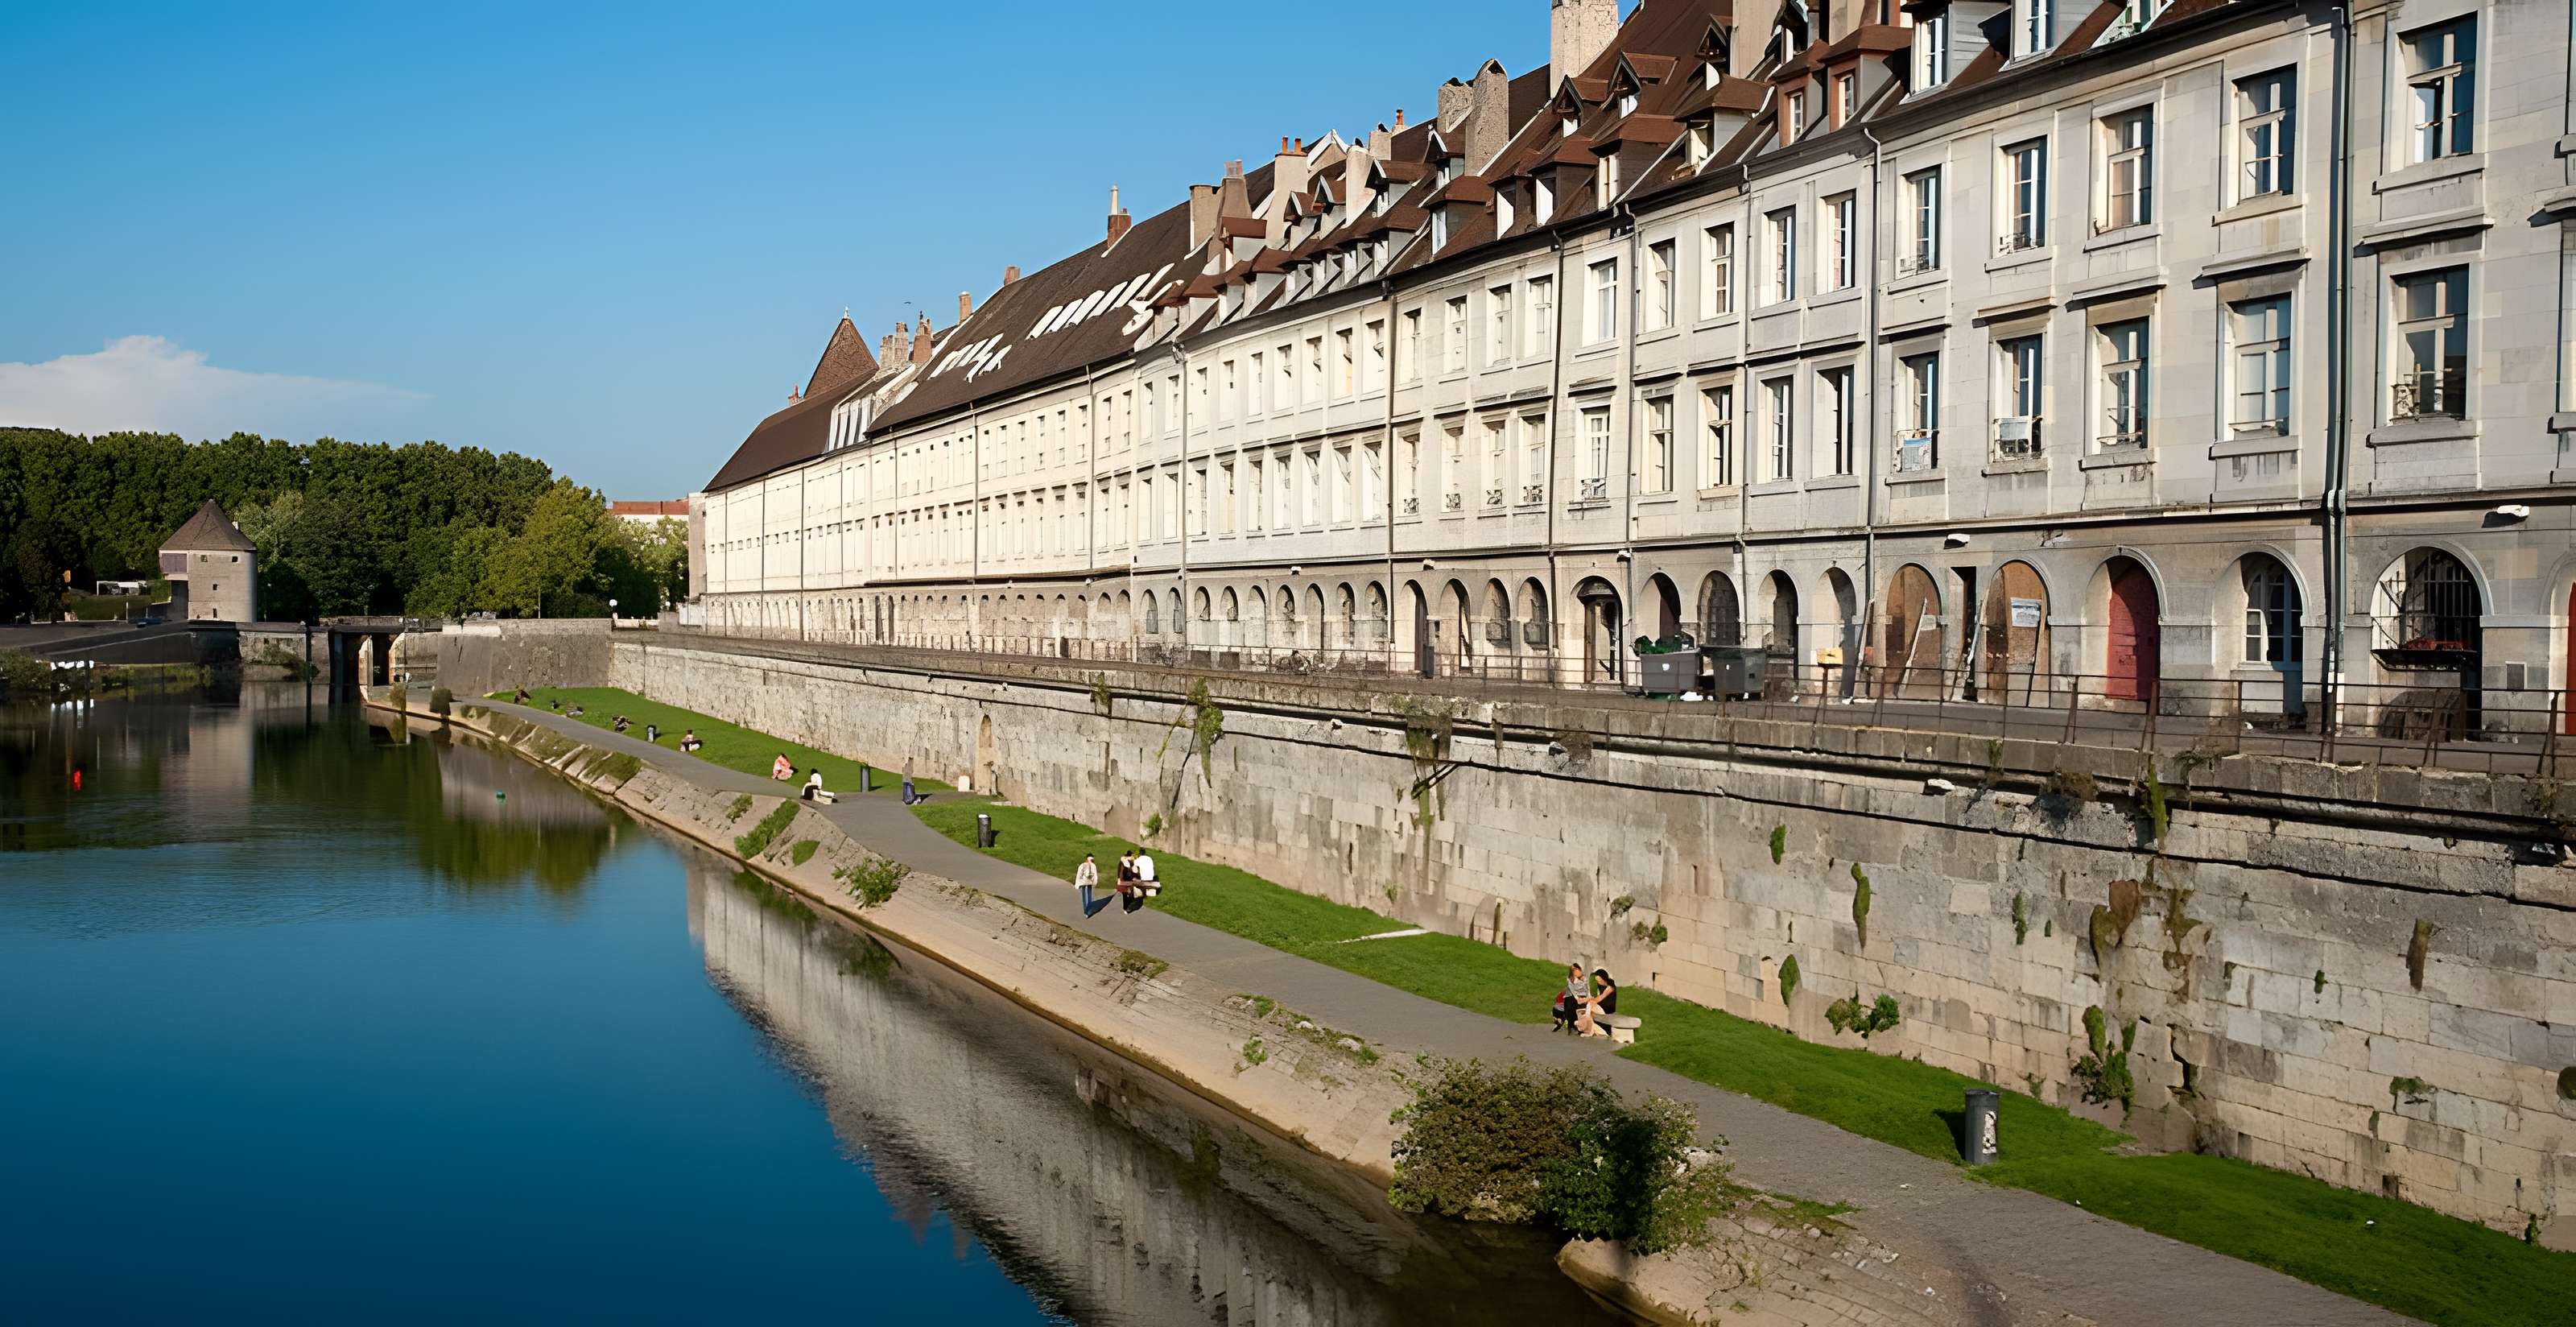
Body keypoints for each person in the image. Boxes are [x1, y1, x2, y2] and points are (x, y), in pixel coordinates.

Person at [1577, 968, 1619, 1038]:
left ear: (1604, 978)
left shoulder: (1611, 986)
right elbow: (1597, 997)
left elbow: (1602, 996)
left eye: (1600, 980)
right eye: (1597, 981)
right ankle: (1587, 1028)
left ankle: (1589, 1029)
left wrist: (1592, 1001)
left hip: (1609, 1007)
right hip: (1603, 1004)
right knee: (1586, 1008)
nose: (1599, 982)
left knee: (1590, 1007)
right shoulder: (1600, 985)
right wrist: (1586, 1000)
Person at [1551, 962, 1589, 1033]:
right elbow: (1573, 991)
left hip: (1582, 997)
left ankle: (1573, 1025)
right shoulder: (1570, 979)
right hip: (1572, 997)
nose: (1575, 971)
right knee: (1569, 1002)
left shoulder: (1585, 979)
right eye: (1573, 970)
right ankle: (1570, 1025)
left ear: (1579, 969)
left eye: (1576, 969)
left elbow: (1586, 990)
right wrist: (1577, 998)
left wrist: (1584, 998)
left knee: (1571, 1003)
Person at [1074, 853, 1104, 918]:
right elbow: (1079, 874)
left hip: (1088, 883)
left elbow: (1094, 874)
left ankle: (1088, 911)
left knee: (1088, 896)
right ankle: (1087, 911)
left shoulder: (1091, 866)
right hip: (1086, 883)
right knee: (1087, 896)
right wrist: (1078, 884)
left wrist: (1095, 882)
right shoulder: (1085, 866)